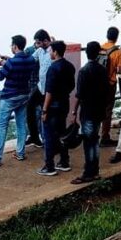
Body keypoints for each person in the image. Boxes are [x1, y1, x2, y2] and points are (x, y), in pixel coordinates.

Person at [0, 35, 36, 167]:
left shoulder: (11, 63)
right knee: (21, 124)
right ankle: (20, 153)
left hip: (9, 97)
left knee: (1, 126)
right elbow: (18, 64)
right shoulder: (30, 59)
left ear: (15, 46)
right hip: (24, 95)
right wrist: (8, 61)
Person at [70, 41, 108, 184]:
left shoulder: (84, 71)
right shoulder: (102, 70)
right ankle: (95, 171)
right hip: (99, 110)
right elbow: (106, 90)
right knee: (95, 141)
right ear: (98, 53)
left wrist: (74, 111)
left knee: (88, 142)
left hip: (88, 111)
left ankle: (88, 173)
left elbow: (79, 94)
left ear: (87, 53)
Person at [38, 40, 76, 176]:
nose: (49, 53)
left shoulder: (53, 69)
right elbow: (72, 85)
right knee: (61, 134)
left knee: (48, 136)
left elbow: (49, 92)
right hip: (64, 104)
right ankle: (64, 161)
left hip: (53, 106)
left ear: (55, 52)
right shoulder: (69, 66)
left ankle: (49, 166)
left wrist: (44, 110)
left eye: (50, 51)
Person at [98, 28, 121, 147]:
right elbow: (120, 71)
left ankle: (94, 135)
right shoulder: (118, 52)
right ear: (117, 37)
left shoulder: (100, 48)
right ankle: (105, 137)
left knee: (98, 108)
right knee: (107, 110)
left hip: (98, 83)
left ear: (106, 35)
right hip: (110, 84)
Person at [25, 29, 51, 150]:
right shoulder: (40, 51)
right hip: (40, 86)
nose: (37, 45)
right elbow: (29, 60)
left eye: (39, 43)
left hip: (50, 88)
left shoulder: (53, 51)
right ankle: (34, 136)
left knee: (46, 115)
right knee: (29, 107)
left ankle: (48, 140)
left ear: (46, 41)